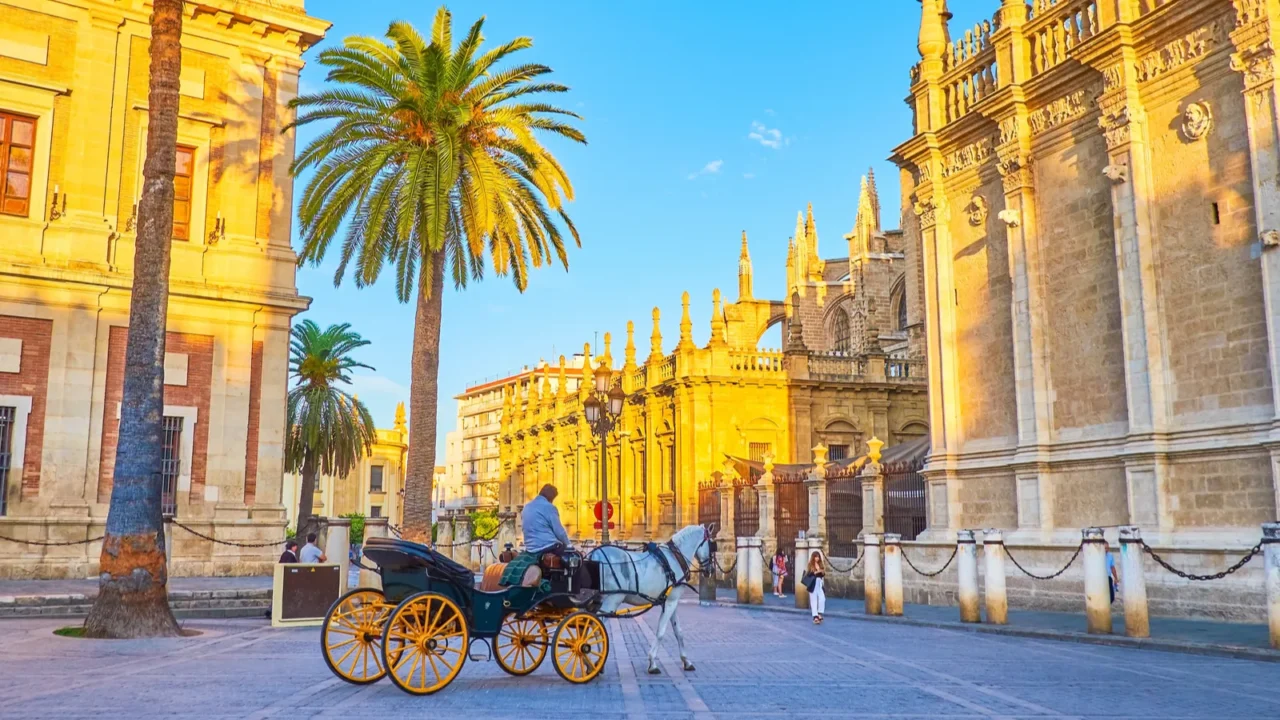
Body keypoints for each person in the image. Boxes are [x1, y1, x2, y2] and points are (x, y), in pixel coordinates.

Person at [521, 484, 590, 595]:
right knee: (577, 557)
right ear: (550, 496)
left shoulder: (527, 506)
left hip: (531, 548)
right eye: (553, 498)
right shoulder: (549, 507)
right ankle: (576, 593)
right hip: (547, 546)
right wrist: (569, 545)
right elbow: (559, 531)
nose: (553, 501)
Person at [805, 551, 826, 624]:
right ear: (813, 557)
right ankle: (815, 616)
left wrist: (822, 572)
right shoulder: (810, 564)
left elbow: (822, 574)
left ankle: (819, 613)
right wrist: (816, 572)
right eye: (816, 557)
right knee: (813, 600)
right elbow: (809, 574)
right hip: (813, 583)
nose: (817, 558)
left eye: (818, 557)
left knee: (822, 598)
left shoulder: (820, 564)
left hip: (819, 583)